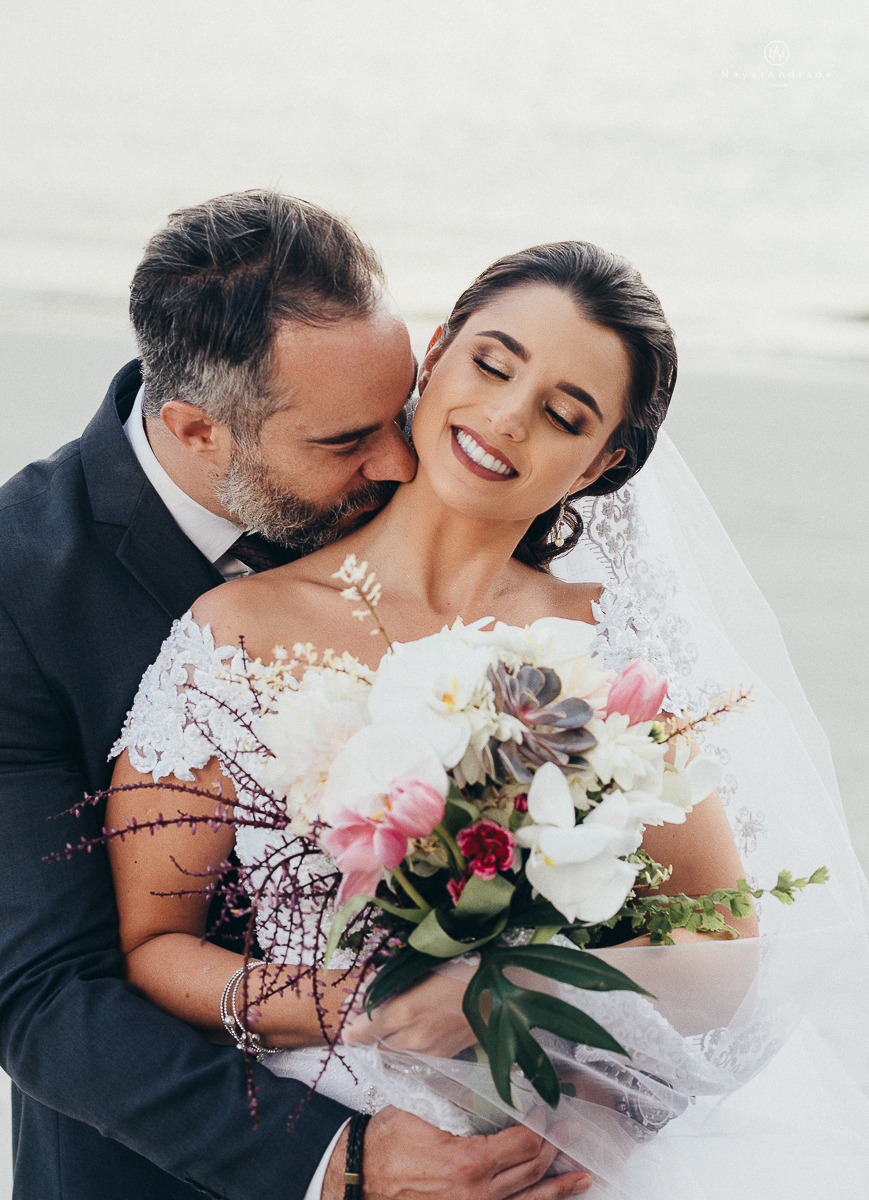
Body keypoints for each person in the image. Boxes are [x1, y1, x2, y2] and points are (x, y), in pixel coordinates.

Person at [105, 241, 869, 1198]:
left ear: (605, 462)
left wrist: (520, 989)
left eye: (562, 413)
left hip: (560, 1150)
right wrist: (372, 1007)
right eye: (493, 364)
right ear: (433, 357)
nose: (504, 418)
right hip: (335, 1150)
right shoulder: (234, 634)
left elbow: (722, 951)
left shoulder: (607, 653)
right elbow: (154, 949)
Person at [0, 191, 580, 1200]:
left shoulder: (421, 486)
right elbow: (43, 991)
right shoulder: (18, 586)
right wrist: (333, 1162)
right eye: (345, 440)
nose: (400, 462)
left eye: (399, 409)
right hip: (168, 1169)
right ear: (197, 430)